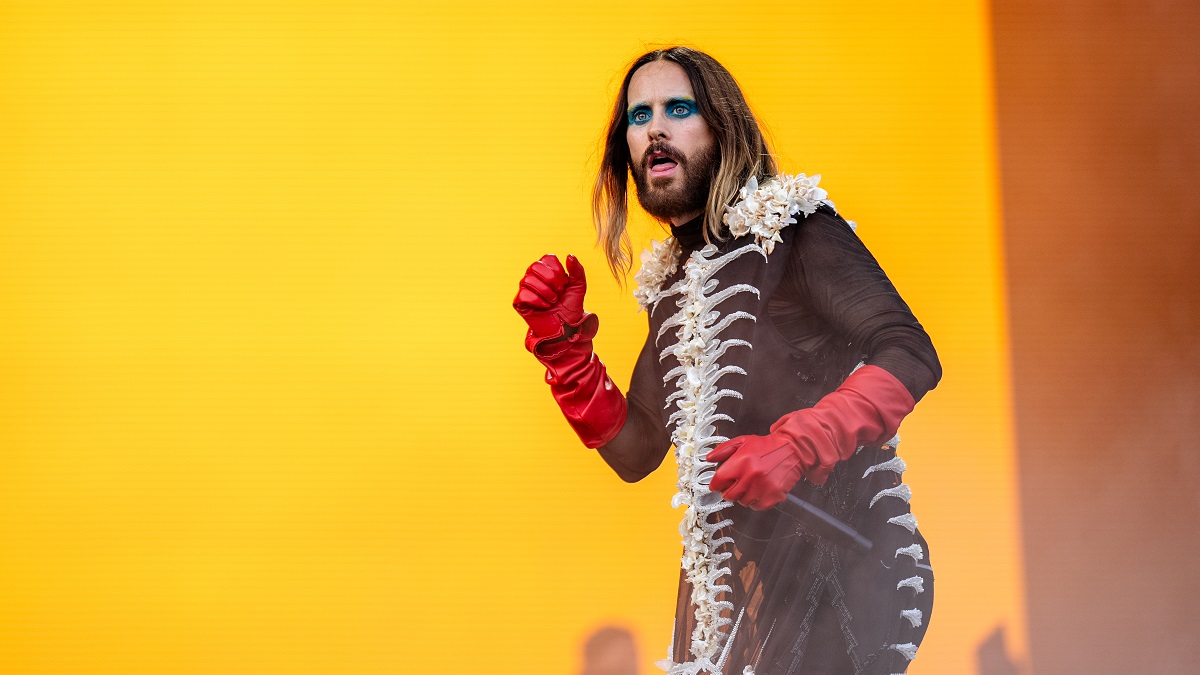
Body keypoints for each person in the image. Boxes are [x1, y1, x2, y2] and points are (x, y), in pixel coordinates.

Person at [514, 47, 940, 675]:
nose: (654, 128)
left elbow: (910, 352)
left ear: (723, 127)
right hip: (752, 600)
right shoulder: (672, 288)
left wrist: (797, 444)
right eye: (639, 117)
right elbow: (638, 452)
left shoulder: (793, 230)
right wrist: (568, 354)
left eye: (677, 109)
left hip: (849, 570)